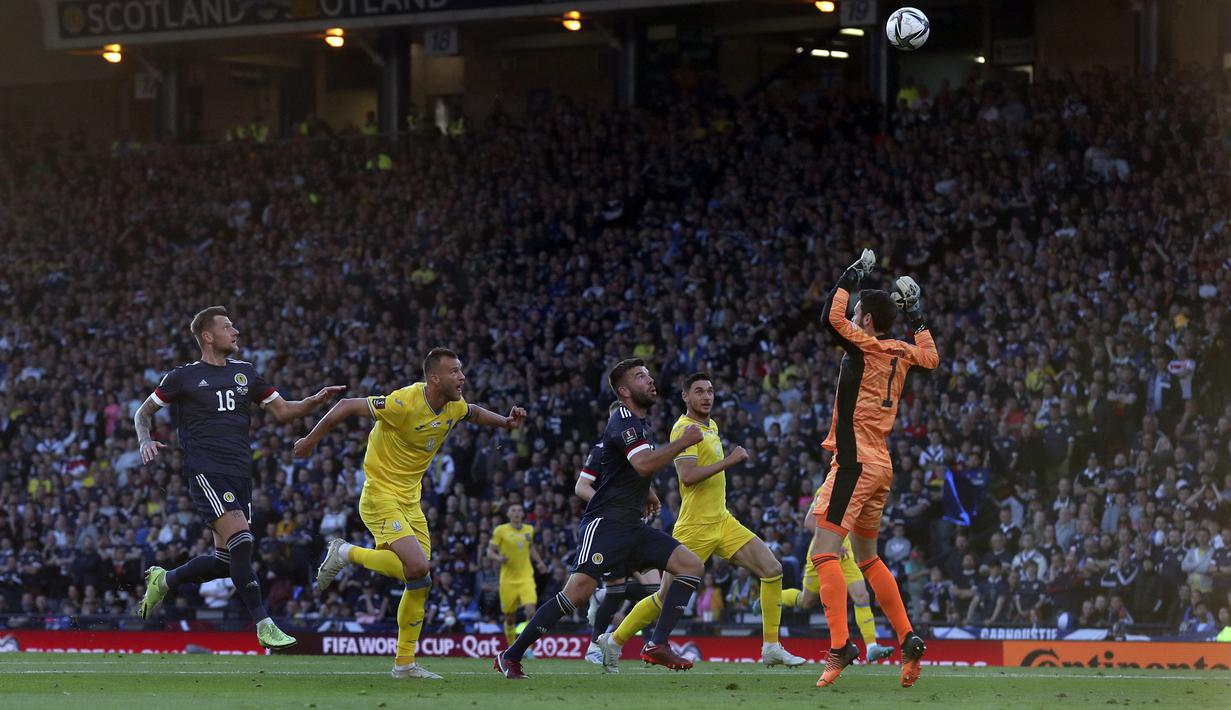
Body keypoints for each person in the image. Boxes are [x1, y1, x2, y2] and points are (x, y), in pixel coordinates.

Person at [301, 347, 526, 679]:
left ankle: (404, 664)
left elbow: (472, 413)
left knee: (420, 580)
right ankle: (346, 553)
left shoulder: (453, 405)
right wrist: (309, 440)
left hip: (410, 500)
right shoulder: (404, 402)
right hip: (379, 495)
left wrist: (504, 423)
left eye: (461, 370)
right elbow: (347, 406)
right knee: (418, 565)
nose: (462, 376)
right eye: (454, 371)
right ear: (434, 378)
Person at [134, 305, 344, 649]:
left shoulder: (245, 373)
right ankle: (263, 623)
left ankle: (165, 580)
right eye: (228, 327)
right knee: (243, 541)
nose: (236, 332)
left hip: (240, 473)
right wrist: (145, 439)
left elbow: (283, 412)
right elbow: (143, 412)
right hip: (206, 470)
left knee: (226, 561)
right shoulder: (182, 377)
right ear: (207, 336)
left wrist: (313, 401)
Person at [494, 358, 705, 679]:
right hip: (605, 524)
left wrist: (646, 492)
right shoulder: (623, 420)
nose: (649, 381)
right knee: (576, 594)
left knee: (690, 566)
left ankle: (657, 644)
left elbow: (632, 468)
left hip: (631, 525)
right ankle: (511, 654)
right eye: (640, 377)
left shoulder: (640, 423)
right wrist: (682, 443)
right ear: (624, 390)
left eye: (649, 375)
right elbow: (643, 464)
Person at [608, 372, 806, 667]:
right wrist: (730, 461)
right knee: (663, 596)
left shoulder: (710, 425)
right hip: (695, 526)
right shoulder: (684, 429)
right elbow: (687, 477)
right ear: (686, 397)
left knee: (772, 568)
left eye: (710, 391)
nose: (707, 396)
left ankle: (771, 646)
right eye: (699, 391)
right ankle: (613, 641)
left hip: (722, 521)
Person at [810, 251, 939, 688]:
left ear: (864, 319)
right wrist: (917, 315)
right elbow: (932, 357)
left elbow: (830, 316)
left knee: (824, 553)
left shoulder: (863, 345)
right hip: (881, 464)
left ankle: (841, 645)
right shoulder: (901, 350)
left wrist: (851, 274)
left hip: (854, 462)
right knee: (867, 558)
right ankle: (908, 640)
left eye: (858, 310)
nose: (852, 313)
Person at [573, 422, 663, 669]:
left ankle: (651, 643)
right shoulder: (602, 451)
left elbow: (640, 479)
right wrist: (609, 507)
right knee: (615, 590)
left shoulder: (640, 451)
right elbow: (581, 487)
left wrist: (649, 496)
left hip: (636, 528)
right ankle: (593, 645)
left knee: (655, 588)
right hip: (609, 529)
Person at [771, 486, 894, 661]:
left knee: (862, 596)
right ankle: (772, 598)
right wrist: (834, 542)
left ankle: (872, 646)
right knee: (806, 601)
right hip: (823, 549)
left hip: (845, 552)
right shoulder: (828, 489)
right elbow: (809, 522)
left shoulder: (859, 490)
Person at [487, 503, 547, 648]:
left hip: (526, 577)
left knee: (531, 611)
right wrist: (498, 558)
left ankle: (528, 648)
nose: (517, 513)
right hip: (507, 580)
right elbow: (490, 551)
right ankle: (511, 646)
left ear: (523, 514)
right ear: (508, 514)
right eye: (513, 510)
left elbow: (530, 547)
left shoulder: (529, 529)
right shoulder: (500, 530)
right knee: (509, 617)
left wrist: (540, 562)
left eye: (519, 510)